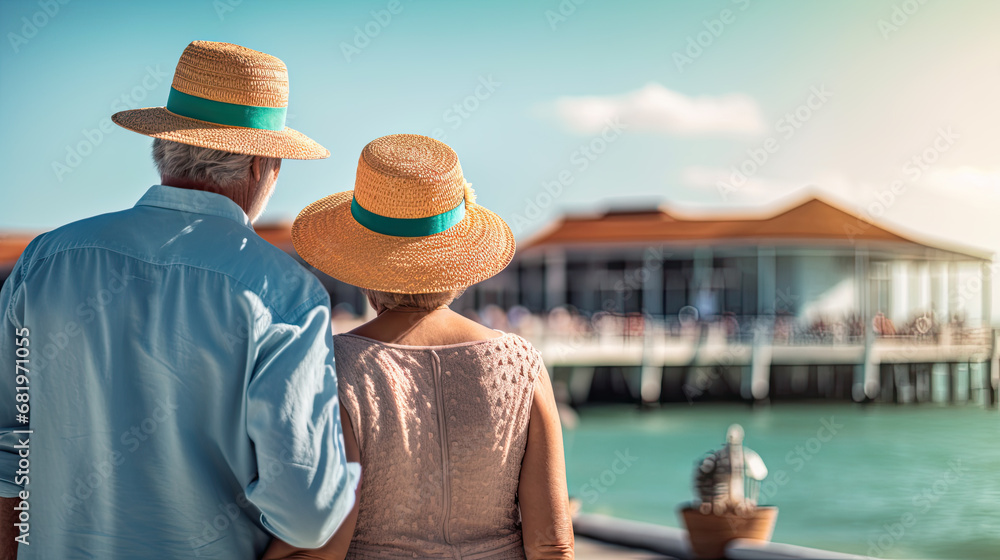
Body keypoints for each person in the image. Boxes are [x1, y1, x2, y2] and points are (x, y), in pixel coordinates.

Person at [0, 41, 359, 559]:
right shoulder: (284, 293)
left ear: (162, 146)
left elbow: (10, 451)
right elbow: (305, 515)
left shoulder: (45, 261)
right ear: (262, 166)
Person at [264, 134, 574, 559]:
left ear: (361, 263)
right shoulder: (521, 364)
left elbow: (326, 541)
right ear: (459, 260)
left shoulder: (338, 365)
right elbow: (553, 543)